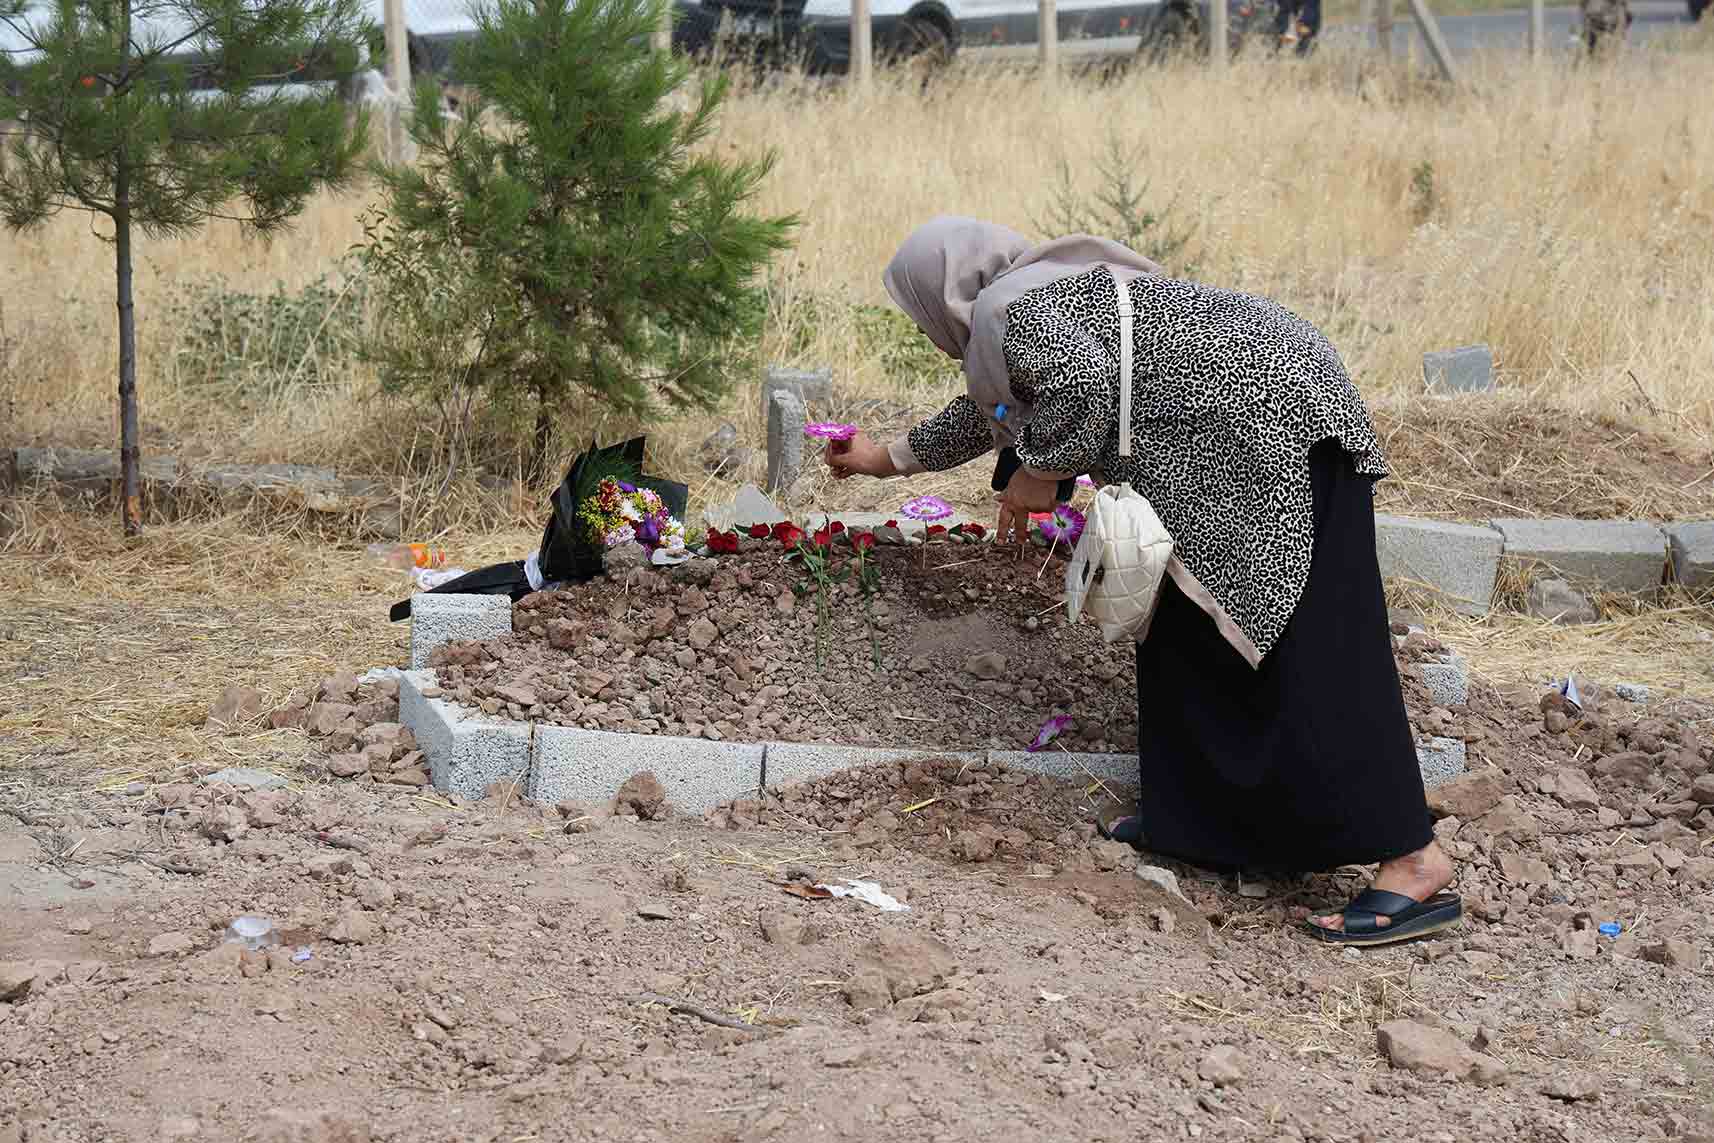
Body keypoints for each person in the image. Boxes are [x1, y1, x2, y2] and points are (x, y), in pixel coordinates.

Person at [826, 216, 1461, 946]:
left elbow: (1084, 383)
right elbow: (1000, 408)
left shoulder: (1011, 311)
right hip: (1249, 416)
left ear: (943, 291)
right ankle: (1204, 821)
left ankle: (1414, 860)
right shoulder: (1028, 299)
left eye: (919, 312)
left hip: (1277, 422)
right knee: (1189, 625)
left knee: (1316, 639)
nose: (926, 330)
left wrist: (1038, 472)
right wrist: (888, 458)